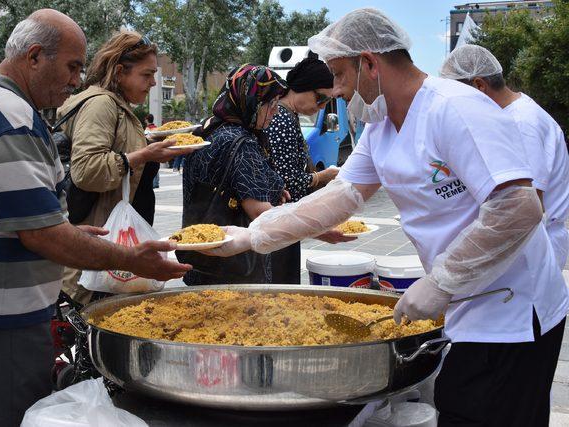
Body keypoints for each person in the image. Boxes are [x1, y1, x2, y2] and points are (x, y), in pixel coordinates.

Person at [203, 9, 568, 426]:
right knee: (458, 402)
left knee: (476, 409)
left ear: (370, 63)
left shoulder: (454, 108)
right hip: (466, 302)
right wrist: (253, 235)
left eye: (340, 76)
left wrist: (441, 280)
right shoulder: (380, 126)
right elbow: (340, 197)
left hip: (512, 309)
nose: (336, 91)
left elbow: (518, 207)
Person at [0, 10, 190, 427]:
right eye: (71, 66)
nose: (76, 79)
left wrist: (65, 230)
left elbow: (22, 216)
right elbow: (41, 235)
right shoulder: (6, 114)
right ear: (34, 57)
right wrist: (131, 259)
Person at [58, 31, 192, 304]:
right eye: (147, 74)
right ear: (120, 72)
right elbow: (86, 170)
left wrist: (151, 150)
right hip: (94, 255)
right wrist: (142, 155)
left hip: (109, 249)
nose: (153, 82)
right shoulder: (101, 105)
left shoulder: (119, 107)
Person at [440, 44, 569, 268]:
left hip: (533, 253)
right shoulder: (512, 114)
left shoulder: (521, 123)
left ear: (479, 86)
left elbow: (525, 204)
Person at [181, 64, 288, 285]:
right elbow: (259, 212)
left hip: (199, 258)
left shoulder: (205, 131)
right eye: (270, 104)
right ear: (250, 102)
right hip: (234, 269)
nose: (276, 111)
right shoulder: (243, 144)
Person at [264, 57, 344, 283]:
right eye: (319, 98)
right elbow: (286, 182)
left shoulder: (286, 115)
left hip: (283, 221)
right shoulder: (282, 118)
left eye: (325, 103)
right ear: (301, 87)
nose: (319, 107)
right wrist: (323, 176)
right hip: (279, 222)